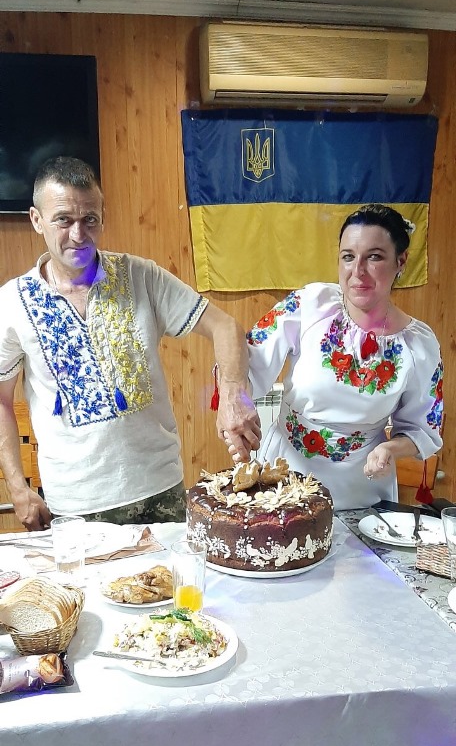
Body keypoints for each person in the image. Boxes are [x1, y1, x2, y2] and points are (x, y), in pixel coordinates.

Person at [0, 156, 261, 531]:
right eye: (64, 220)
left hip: (162, 493)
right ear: (37, 219)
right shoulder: (12, 303)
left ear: (103, 216)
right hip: (74, 506)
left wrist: (233, 395)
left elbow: (225, 327)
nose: (79, 234)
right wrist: (17, 486)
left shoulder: (142, 277)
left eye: (90, 219)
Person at [225, 203, 443, 511]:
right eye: (348, 257)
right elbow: (248, 363)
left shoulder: (419, 345)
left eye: (374, 257)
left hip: (362, 489)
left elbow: (421, 429)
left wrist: (391, 449)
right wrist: (237, 410)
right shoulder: (311, 305)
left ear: (401, 261)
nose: (358, 272)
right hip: (284, 478)